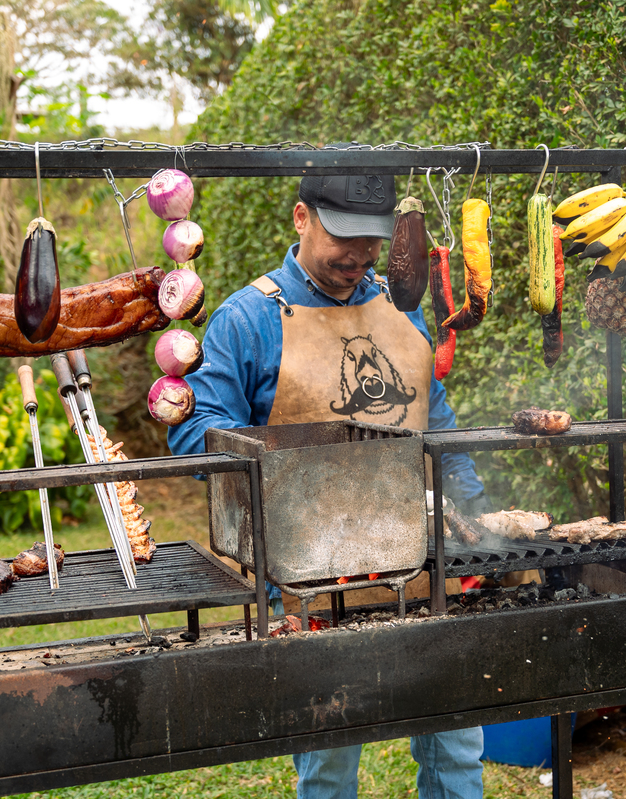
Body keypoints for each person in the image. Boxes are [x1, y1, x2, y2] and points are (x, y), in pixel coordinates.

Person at [167, 160, 490, 799]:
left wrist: (476, 513)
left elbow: (438, 421)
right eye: (343, 236)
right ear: (301, 217)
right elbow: (193, 431)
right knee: (333, 763)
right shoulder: (247, 319)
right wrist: (283, 464)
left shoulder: (401, 308)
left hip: (420, 564)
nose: (359, 255)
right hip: (313, 578)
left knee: (456, 749)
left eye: (372, 239)